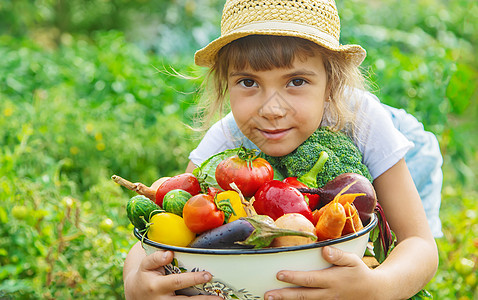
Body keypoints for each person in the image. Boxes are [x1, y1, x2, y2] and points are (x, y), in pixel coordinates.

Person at [123, 0, 441, 299]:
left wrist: (376, 287)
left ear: (331, 83)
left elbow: (420, 244)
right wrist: (135, 280)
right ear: (226, 84)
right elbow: (165, 216)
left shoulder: (365, 121)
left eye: (296, 81)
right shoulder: (229, 135)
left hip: (404, 158)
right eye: (248, 82)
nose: (272, 109)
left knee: (394, 260)